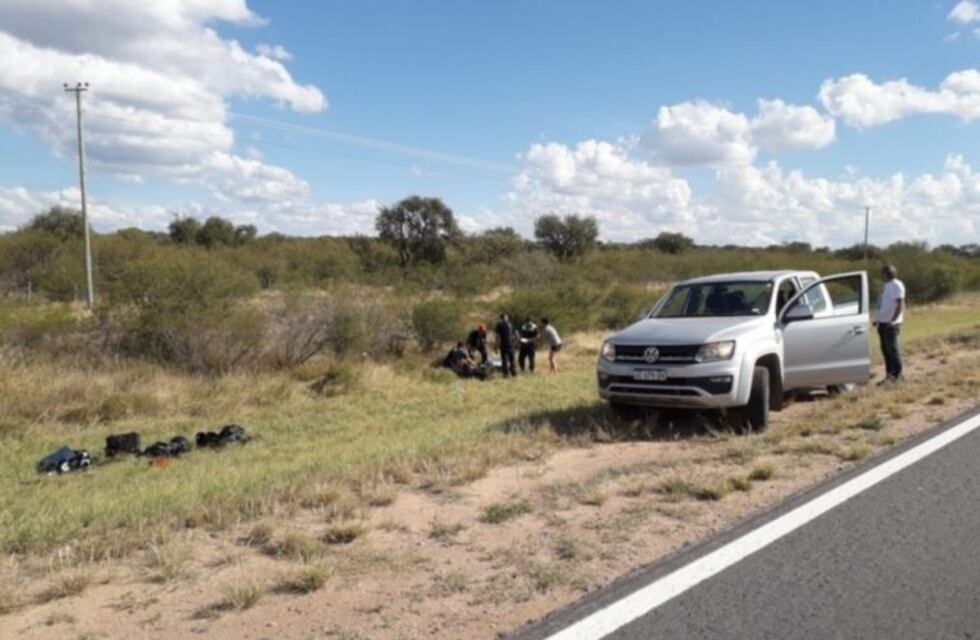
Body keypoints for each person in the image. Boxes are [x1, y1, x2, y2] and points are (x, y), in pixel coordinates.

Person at [873, 264, 905, 384]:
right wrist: (877, 319)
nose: (881, 275)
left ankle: (897, 376)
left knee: (892, 349)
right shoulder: (886, 286)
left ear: (887, 274)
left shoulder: (896, 285)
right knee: (885, 350)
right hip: (883, 323)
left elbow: (900, 304)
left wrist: (893, 320)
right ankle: (889, 376)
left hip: (890, 324)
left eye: (882, 273)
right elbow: (883, 304)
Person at [494, 313, 517, 377]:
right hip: (511, 345)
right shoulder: (511, 324)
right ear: (507, 318)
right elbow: (516, 335)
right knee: (512, 359)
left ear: (501, 318)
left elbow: (497, 337)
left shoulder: (499, 325)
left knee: (504, 359)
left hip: (504, 344)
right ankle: (514, 372)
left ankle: (506, 374)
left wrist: (495, 346)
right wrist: (515, 343)